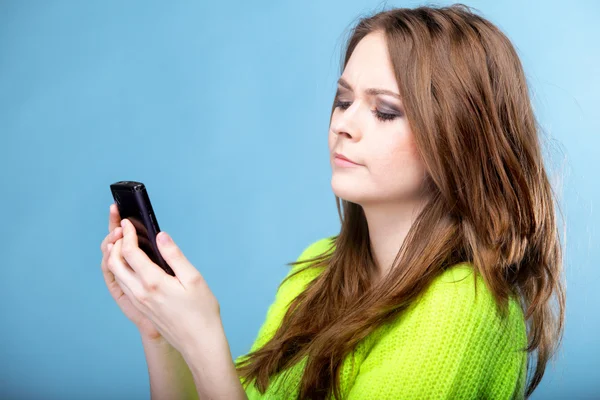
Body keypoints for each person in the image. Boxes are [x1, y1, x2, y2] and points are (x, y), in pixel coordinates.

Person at [100, 3, 565, 400]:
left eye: (385, 111)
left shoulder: (465, 308)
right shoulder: (316, 271)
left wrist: (204, 340)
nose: (345, 124)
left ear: (458, 138)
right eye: (343, 101)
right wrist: (161, 334)